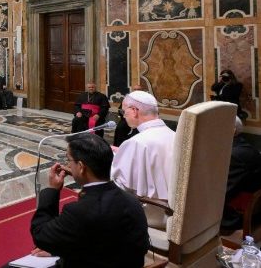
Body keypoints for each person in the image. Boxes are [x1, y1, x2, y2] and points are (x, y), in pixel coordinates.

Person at [29, 134, 149, 267]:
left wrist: (52, 190)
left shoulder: (77, 212)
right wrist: (83, 178)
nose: (68, 165)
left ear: (81, 166)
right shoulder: (132, 201)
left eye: (69, 160)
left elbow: (40, 235)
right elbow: (105, 241)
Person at [111, 90, 175, 228]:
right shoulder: (173, 135)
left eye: (124, 112)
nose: (124, 116)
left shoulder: (137, 143)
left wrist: (111, 160)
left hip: (152, 214)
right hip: (174, 210)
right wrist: (124, 153)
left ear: (134, 111)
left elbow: (121, 187)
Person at [222, 117, 261, 231]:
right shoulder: (245, 147)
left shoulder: (234, 155)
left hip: (235, 216)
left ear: (233, 130)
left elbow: (222, 193)